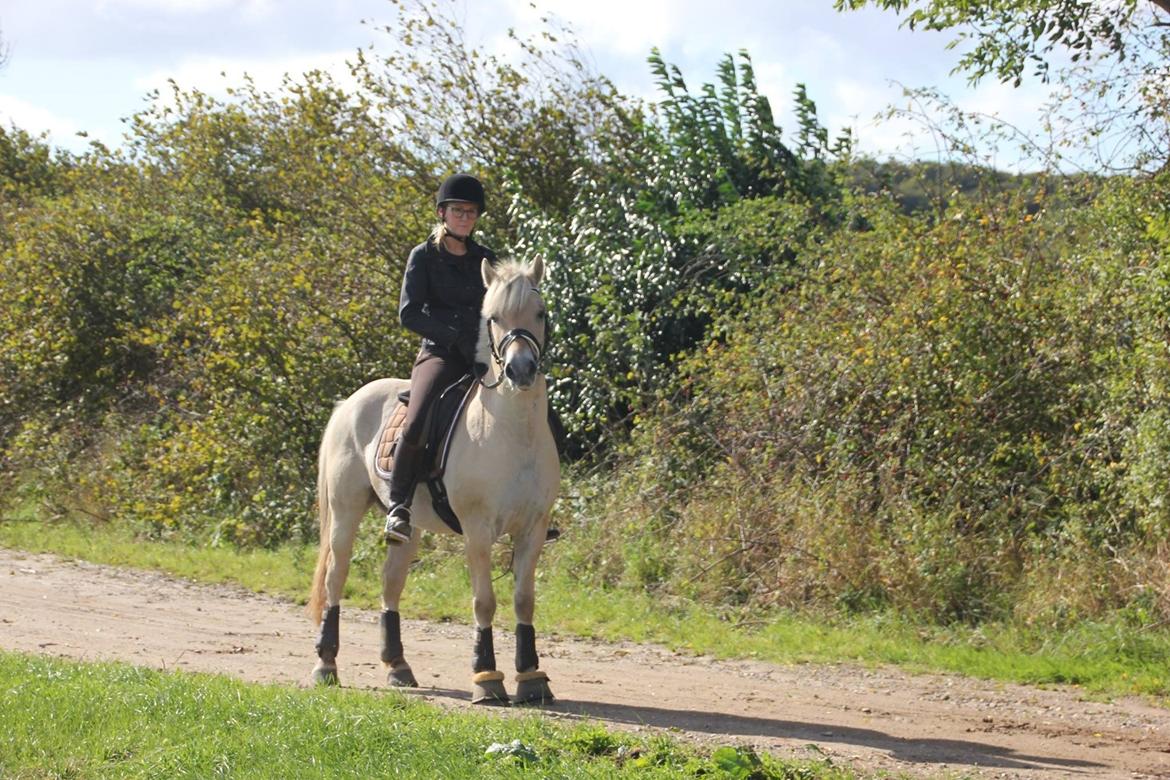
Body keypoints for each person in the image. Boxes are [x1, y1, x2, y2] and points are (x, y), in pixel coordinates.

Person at [384, 173, 494, 545]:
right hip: (440, 354)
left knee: (534, 407)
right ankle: (399, 506)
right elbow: (409, 313)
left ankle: (533, 505)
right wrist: (454, 336)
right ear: (442, 213)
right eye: (458, 210)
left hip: (481, 355)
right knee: (418, 417)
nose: (465, 217)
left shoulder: (487, 259)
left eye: (471, 211)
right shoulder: (423, 256)